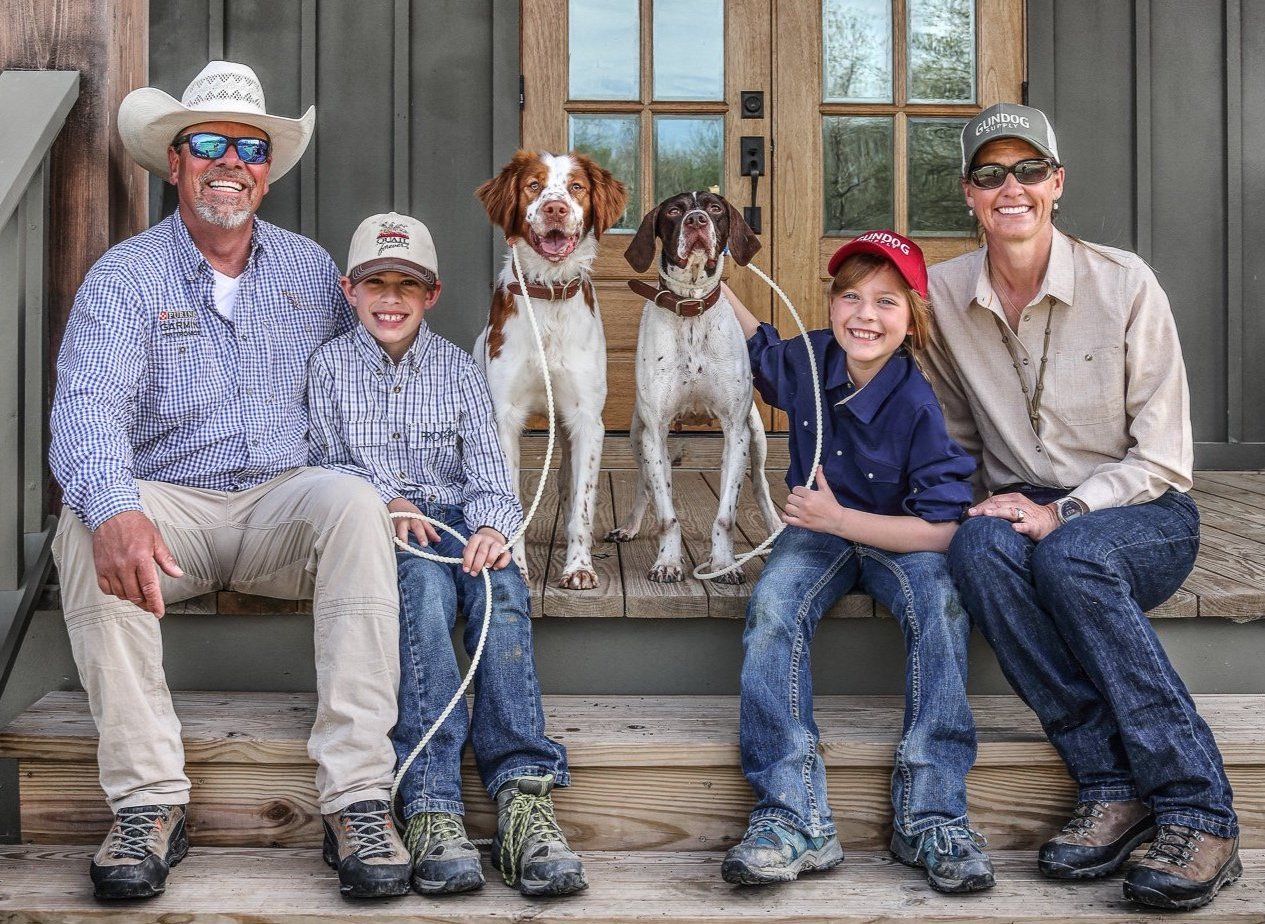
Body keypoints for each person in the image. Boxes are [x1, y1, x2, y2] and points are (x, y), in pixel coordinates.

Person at [48, 61, 411, 900]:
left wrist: (393, 478)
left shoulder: (313, 272)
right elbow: (86, 410)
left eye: (248, 147)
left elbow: (362, 383)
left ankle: (357, 796)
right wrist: (114, 507)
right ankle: (148, 803)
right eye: (206, 143)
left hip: (283, 503)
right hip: (168, 509)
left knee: (355, 505)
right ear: (174, 163)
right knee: (86, 521)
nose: (229, 162)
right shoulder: (124, 277)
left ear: (266, 167)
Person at [926, 102, 1240, 911]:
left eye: (1028, 171)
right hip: (1021, 506)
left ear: (1056, 183)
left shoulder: (1123, 282)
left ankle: (1197, 808)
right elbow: (951, 438)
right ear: (968, 194)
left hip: (1142, 512)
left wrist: (1065, 513)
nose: (1011, 188)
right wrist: (971, 507)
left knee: (1071, 552)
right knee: (975, 553)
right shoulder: (942, 295)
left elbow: (1164, 457)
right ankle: (1108, 784)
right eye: (991, 174)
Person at [306, 212, 585, 897]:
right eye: (377, 284)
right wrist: (385, 501)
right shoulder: (329, 367)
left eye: (408, 285)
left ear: (432, 295)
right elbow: (319, 460)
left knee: (502, 592)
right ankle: (431, 803)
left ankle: (523, 793)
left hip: (458, 519)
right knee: (423, 600)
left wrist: (492, 528)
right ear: (349, 290)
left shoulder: (461, 371)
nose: (391, 299)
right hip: (382, 529)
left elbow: (490, 475)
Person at [719, 231, 992, 893]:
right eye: (850, 297)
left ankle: (931, 814)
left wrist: (840, 520)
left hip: (898, 538)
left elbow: (943, 532)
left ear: (912, 318)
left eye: (886, 302)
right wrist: (707, 282)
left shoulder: (921, 402)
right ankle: (792, 813)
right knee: (774, 605)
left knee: (939, 603)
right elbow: (760, 346)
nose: (863, 315)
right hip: (818, 539)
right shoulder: (812, 360)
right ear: (832, 304)